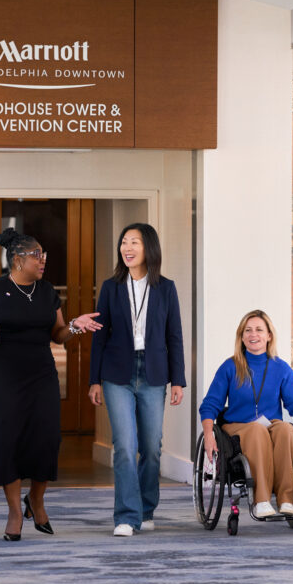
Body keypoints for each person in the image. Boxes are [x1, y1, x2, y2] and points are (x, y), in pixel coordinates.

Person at [0, 228, 101, 541]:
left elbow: (57, 334)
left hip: (41, 374)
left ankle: (36, 499)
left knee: (47, 438)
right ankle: (15, 511)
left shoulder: (47, 292)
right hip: (3, 376)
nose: (43, 261)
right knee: (7, 440)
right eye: (36, 255)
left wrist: (74, 327)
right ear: (17, 259)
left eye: (44, 256)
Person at [88, 223, 185, 537]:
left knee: (151, 448)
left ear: (149, 249)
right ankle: (126, 517)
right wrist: (95, 380)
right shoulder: (111, 287)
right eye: (124, 242)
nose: (127, 248)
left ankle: (145, 507)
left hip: (154, 373)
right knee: (125, 447)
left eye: (134, 242)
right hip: (118, 374)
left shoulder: (166, 288)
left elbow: (175, 337)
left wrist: (178, 380)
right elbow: (99, 338)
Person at [199, 309, 293, 518]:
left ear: (269, 336)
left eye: (258, 329)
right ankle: (261, 500)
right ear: (241, 336)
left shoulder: (281, 369)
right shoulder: (230, 367)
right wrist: (209, 435)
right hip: (237, 425)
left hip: (271, 425)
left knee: (286, 430)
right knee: (257, 430)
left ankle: (287, 500)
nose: (253, 334)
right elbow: (210, 404)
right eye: (247, 330)